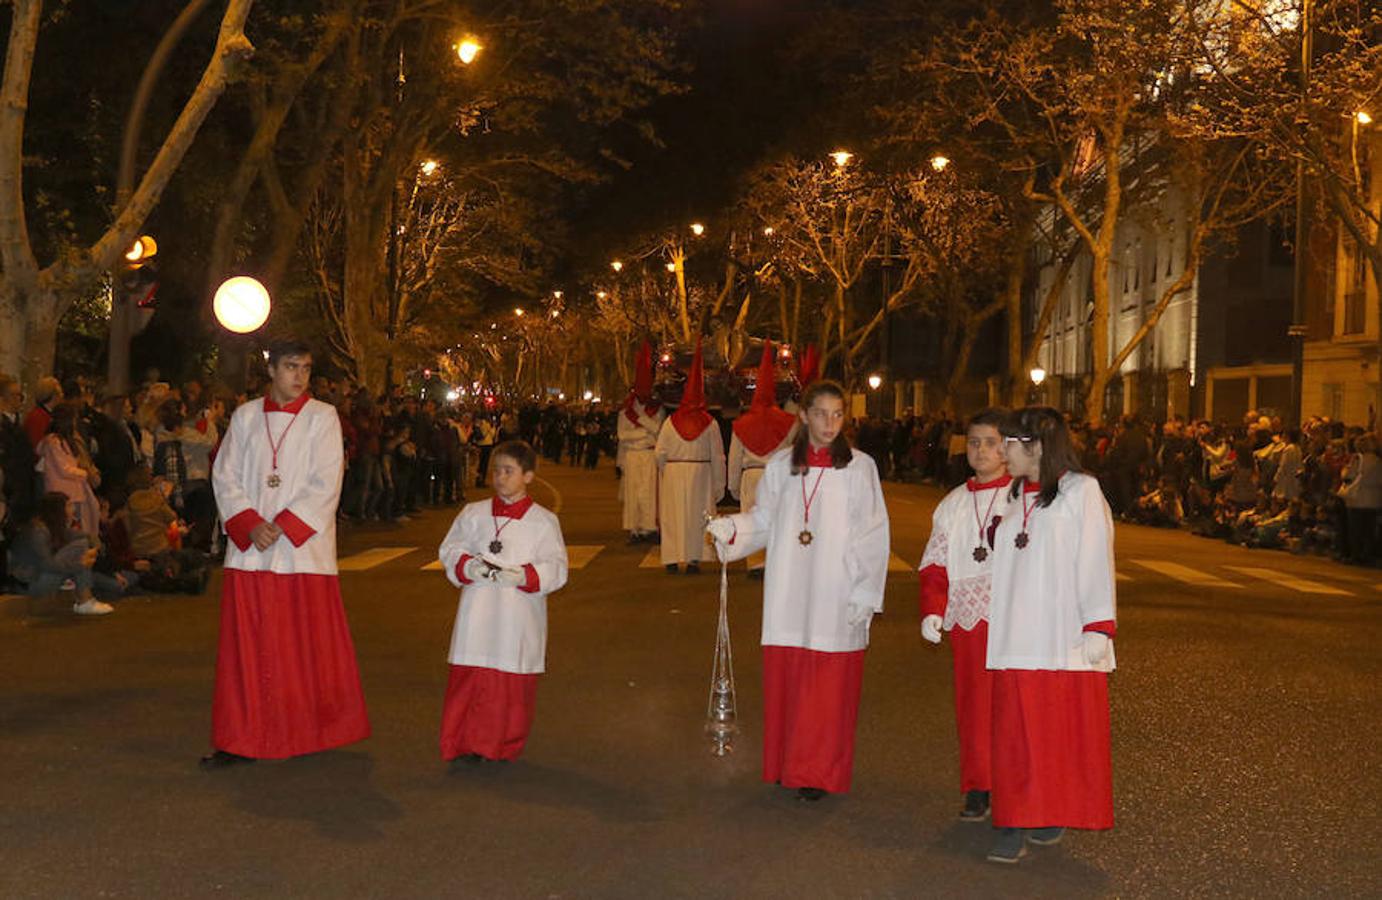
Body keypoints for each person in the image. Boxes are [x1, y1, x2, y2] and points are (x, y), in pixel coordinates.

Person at [706, 380, 890, 801]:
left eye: (838, 414)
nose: (830, 423)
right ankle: (789, 764)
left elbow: (873, 533)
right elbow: (765, 520)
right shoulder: (779, 467)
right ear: (804, 416)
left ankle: (819, 772)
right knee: (792, 682)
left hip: (835, 591)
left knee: (826, 691)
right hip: (790, 590)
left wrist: (865, 593)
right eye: (821, 414)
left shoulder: (860, 467)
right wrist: (732, 528)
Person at [204, 338, 371, 769]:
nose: (299, 377)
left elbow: (326, 481)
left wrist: (283, 526)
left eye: (306, 369)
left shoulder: (323, 417)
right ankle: (241, 738)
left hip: (302, 553)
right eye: (291, 367)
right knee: (247, 651)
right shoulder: (244, 418)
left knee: (302, 648)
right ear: (271, 370)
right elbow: (225, 477)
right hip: (251, 554)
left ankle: (304, 731)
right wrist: (248, 523)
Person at [983, 407, 1116, 863]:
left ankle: (1047, 810)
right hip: (1015, 637)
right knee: (1016, 737)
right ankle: (1013, 822)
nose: (1002, 452)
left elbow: (1096, 557)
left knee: (1053, 736)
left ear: (1037, 446)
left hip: (1059, 637)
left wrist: (1098, 624)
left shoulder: (1082, 492)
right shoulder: (1011, 493)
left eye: (1010, 444)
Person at [436, 440, 568, 763]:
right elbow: (449, 549)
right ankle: (463, 741)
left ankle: (500, 745)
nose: (500, 477)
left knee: (509, 682)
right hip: (477, 610)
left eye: (508, 471)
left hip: (517, 614)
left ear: (528, 476)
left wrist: (524, 576)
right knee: (471, 678)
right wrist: (468, 565)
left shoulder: (543, 522)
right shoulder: (474, 513)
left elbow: (557, 567)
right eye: (496, 470)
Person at [918, 407, 1012, 822]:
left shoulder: (1024, 497)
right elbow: (935, 565)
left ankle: (1015, 782)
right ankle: (979, 785)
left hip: (1014, 618)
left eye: (991, 442)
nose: (981, 450)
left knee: (1014, 706)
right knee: (974, 706)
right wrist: (932, 610)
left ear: (1009, 447)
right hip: (970, 622)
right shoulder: (952, 504)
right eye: (974, 442)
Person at [727, 342, 797, 579]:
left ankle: (756, 564)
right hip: (778, 476)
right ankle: (776, 562)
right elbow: (791, 451)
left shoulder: (742, 424)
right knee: (778, 519)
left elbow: (735, 458)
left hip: (752, 475)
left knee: (752, 517)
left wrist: (733, 486)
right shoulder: (788, 421)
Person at [656, 342, 726, 575]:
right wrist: (719, 485)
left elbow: (660, 453)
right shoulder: (711, 424)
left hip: (675, 473)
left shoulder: (669, 423)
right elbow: (718, 456)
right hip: (701, 473)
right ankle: (696, 558)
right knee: (700, 515)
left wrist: (667, 472)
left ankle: (672, 558)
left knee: (672, 515)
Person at [9, 491, 116, 615]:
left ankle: (84, 599)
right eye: (69, 506)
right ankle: (85, 600)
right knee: (80, 546)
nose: (73, 510)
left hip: (38, 578)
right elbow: (47, 564)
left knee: (82, 543)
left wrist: (95, 544)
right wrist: (80, 564)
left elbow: (80, 536)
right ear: (57, 510)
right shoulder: (38, 531)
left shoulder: (49, 527)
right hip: (31, 584)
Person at [617, 341, 664, 545]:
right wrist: (644, 432)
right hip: (632, 455)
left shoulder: (657, 410)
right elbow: (622, 435)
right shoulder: (625, 412)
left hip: (649, 455)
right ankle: (635, 529)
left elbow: (658, 432)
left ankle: (650, 528)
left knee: (649, 493)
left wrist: (642, 421)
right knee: (633, 493)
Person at [36, 404, 100, 537]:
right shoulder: (53, 442)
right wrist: (84, 473)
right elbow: (64, 469)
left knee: (77, 528)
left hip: (73, 491)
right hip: (63, 493)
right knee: (68, 531)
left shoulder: (63, 441)